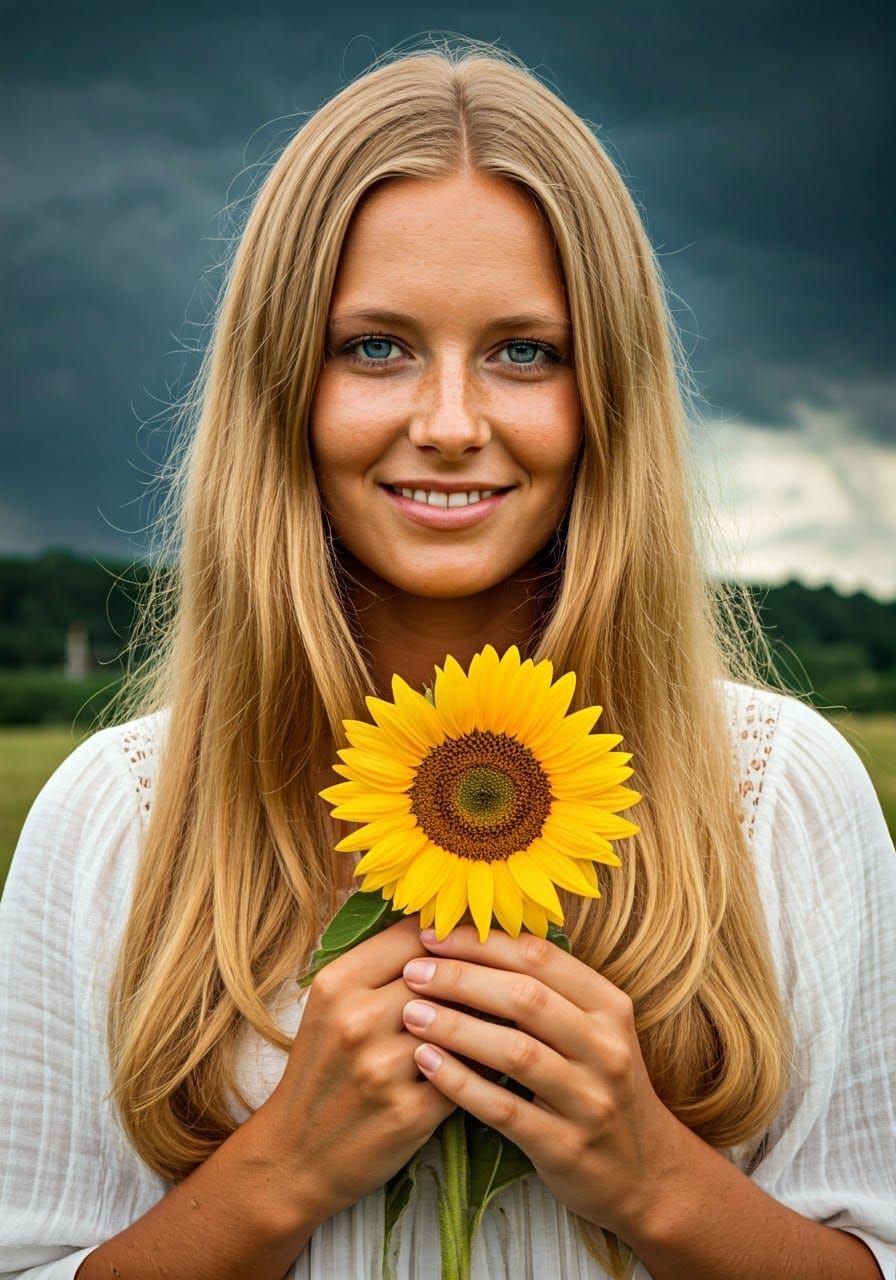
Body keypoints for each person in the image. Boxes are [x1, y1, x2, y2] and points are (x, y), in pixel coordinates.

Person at [1, 39, 894, 1280]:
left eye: (524, 351)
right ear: (281, 381)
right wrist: (278, 1172)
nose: (451, 423)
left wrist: (651, 1176)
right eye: (375, 346)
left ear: (607, 392)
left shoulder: (776, 793)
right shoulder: (118, 819)